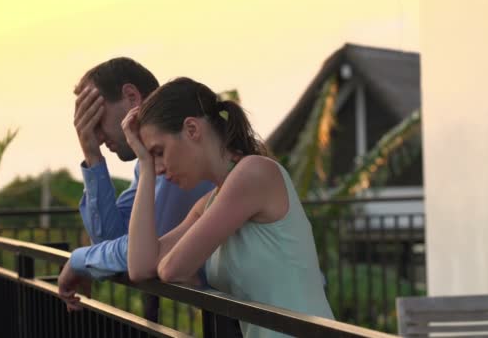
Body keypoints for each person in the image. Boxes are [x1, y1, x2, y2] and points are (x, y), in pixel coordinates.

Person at [122, 77, 334, 337]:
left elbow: (172, 269)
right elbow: (140, 267)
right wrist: (144, 168)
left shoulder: (254, 172)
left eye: (158, 151)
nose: (160, 168)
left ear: (191, 129)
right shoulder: (209, 203)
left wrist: (169, 265)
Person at [57, 58, 213, 312]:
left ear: (131, 97)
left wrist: (79, 260)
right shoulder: (147, 165)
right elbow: (112, 239)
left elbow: (142, 252)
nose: (95, 135)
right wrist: (92, 156)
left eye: (95, 119)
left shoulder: (178, 152)